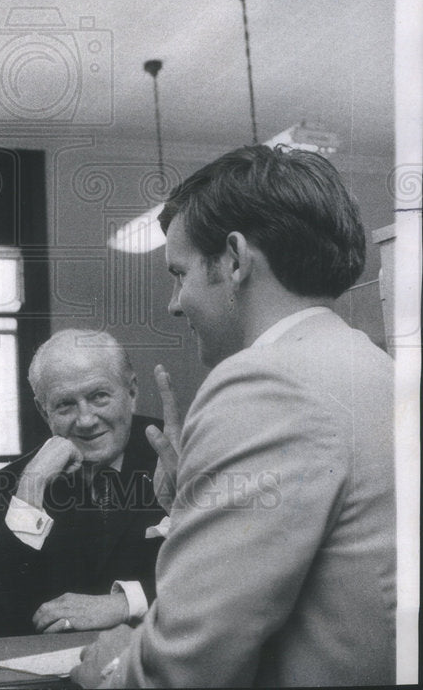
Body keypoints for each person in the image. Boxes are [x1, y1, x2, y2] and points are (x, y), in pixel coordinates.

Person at [73, 145, 396, 688]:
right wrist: (190, 499)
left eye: (180, 274)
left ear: (234, 259)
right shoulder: (377, 369)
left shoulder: (263, 383)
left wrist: (108, 669)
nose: (176, 304)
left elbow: (187, 667)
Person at [0, 328, 182, 636]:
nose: (85, 420)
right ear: (42, 410)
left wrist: (127, 602)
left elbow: (227, 580)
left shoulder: (178, 451)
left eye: (99, 396)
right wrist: (31, 487)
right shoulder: (16, 481)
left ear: (132, 392)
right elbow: (1, 613)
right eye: (65, 405)